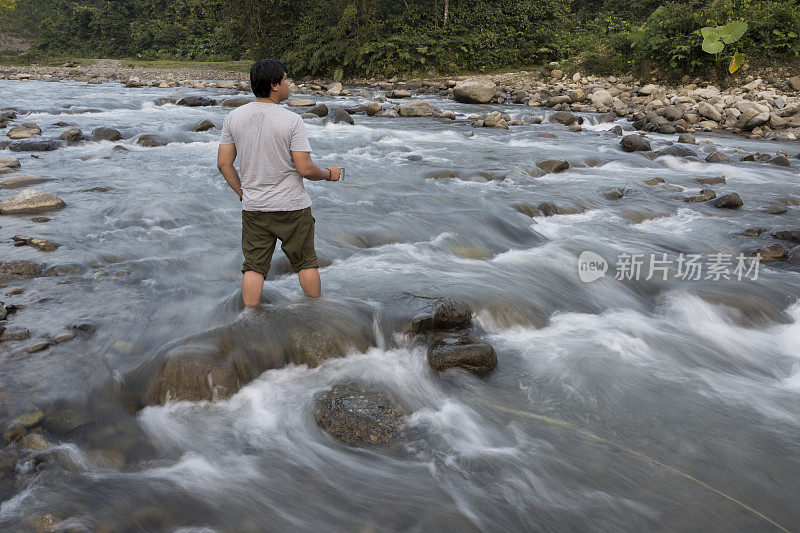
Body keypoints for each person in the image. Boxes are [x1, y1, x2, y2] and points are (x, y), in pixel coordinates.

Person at [217, 58, 342, 306]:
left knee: (253, 268)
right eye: (285, 79)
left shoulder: (234, 117)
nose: (288, 83)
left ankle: (249, 321)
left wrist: (243, 194)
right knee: (305, 262)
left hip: (254, 208)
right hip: (292, 207)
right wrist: (330, 173)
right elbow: (305, 168)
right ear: (275, 85)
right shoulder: (291, 120)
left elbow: (224, 164)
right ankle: (317, 314)